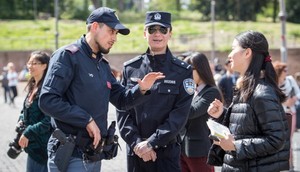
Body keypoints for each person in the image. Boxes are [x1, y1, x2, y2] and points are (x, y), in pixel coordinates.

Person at [38, 7, 164, 172]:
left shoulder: (102, 65)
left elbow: (121, 99)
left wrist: (141, 89)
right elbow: (47, 101)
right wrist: (86, 119)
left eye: (116, 33)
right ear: (95, 26)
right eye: (111, 31)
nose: (114, 38)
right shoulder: (67, 56)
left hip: (93, 154)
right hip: (70, 153)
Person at [116, 11, 194, 172]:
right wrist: (137, 143)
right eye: (152, 30)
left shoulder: (182, 71)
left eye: (163, 30)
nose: (157, 34)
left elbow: (180, 114)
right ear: (145, 34)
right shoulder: (131, 68)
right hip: (136, 151)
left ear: (170, 34)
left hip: (166, 152)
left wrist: (152, 142)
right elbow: (122, 111)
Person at [206, 30, 290, 171]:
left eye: (233, 49)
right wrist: (221, 115)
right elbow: (247, 127)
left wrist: (235, 146)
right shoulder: (248, 88)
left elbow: (276, 139)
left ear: (247, 53)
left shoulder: (262, 92)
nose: (229, 55)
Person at [180, 52, 222, 172]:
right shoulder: (193, 90)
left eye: (189, 69)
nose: (186, 74)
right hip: (182, 148)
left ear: (200, 69)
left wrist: (180, 96)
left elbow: (192, 112)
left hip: (199, 150)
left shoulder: (211, 91)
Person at [16, 51, 52, 172]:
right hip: (33, 147)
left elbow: (49, 120)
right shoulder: (33, 85)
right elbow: (26, 109)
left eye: (34, 63)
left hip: (44, 149)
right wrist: (21, 120)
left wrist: (28, 132)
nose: (30, 66)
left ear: (44, 66)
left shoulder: (47, 89)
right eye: (29, 63)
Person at [272, 61, 300, 170]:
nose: (286, 72)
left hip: (290, 113)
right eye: (284, 70)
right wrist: (284, 102)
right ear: (279, 71)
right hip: (278, 114)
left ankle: (290, 165)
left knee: (289, 139)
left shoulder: (290, 80)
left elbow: (298, 93)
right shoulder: (273, 83)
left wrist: (293, 99)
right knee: (278, 139)